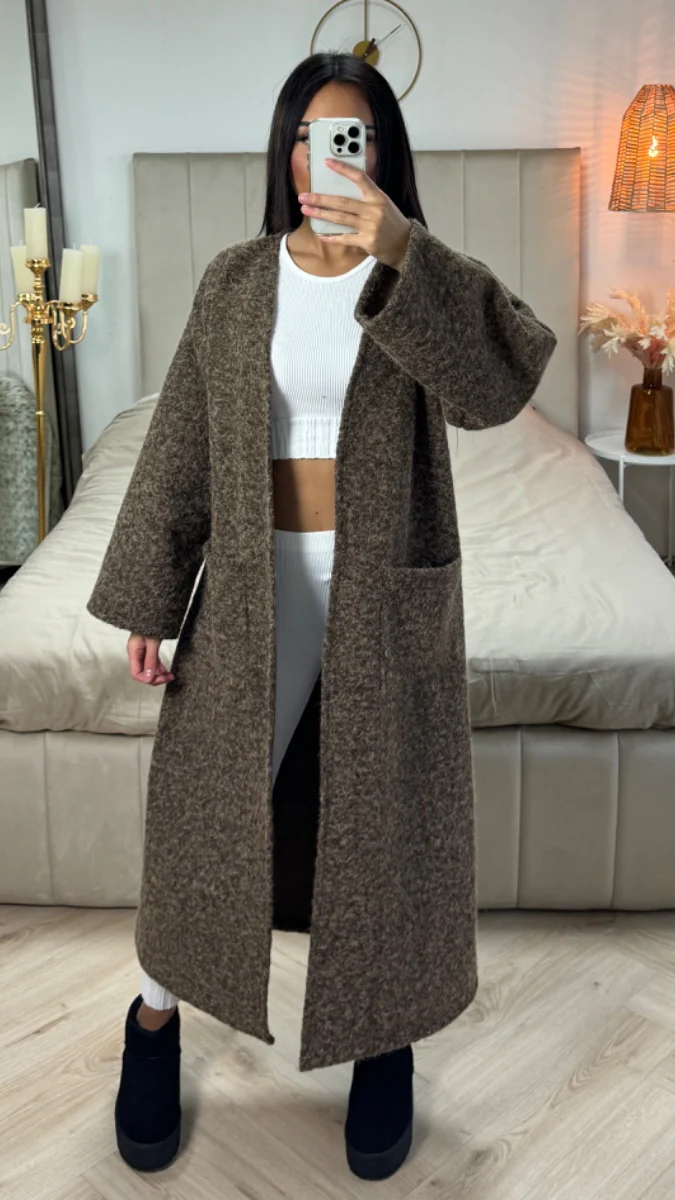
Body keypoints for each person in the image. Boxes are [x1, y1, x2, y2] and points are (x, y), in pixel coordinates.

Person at [87, 51, 557, 1182]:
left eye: (347, 136)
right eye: (304, 135)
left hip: (383, 596)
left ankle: (382, 1040)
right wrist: (152, 593)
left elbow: (502, 382)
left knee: (383, 826)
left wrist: (402, 248)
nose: (320, 158)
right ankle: (153, 1015)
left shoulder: (414, 278)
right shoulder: (235, 280)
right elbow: (183, 441)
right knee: (202, 807)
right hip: (255, 584)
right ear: (284, 151)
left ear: (381, 156)